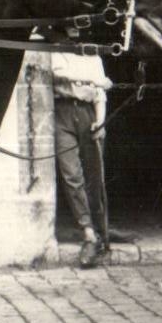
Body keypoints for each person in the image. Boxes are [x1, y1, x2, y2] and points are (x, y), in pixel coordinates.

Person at [51, 48, 112, 269]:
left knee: (95, 176)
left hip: (87, 114)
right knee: (71, 175)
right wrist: (94, 80)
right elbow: (58, 74)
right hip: (62, 113)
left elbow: (100, 96)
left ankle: (102, 233)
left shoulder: (93, 57)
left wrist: (100, 122)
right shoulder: (55, 52)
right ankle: (88, 234)